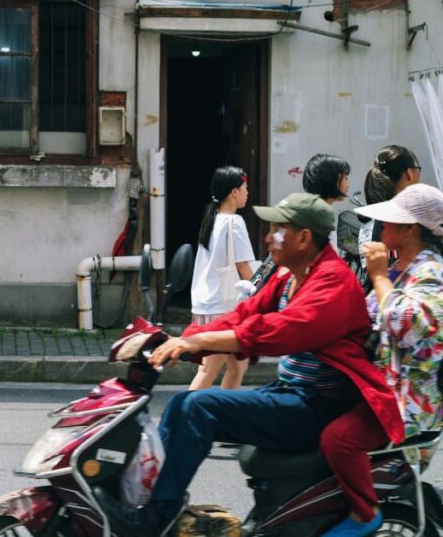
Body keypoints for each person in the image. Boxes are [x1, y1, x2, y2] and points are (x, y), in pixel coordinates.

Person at [131, 193, 404, 536]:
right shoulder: (289, 275)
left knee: (199, 407)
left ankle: (158, 516)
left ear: (304, 238)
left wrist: (198, 343)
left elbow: (278, 332)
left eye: (277, 230)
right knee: (182, 405)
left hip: (316, 407)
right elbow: (246, 312)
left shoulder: (333, 282)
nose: (267, 238)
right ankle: (152, 504)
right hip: (291, 394)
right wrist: (182, 341)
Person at [318, 184, 443, 536]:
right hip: (376, 384)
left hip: (408, 400)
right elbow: (366, 319)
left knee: (340, 439)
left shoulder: (434, 275)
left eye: (390, 221)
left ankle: (365, 515)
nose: (381, 227)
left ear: (410, 229)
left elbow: (403, 325)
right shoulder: (401, 266)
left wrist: (378, 276)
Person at [188, 166, 255, 390]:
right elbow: (243, 265)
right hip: (223, 307)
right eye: (245, 188)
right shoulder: (234, 223)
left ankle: (224, 414)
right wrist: (261, 292)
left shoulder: (212, 220)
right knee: (208, 370)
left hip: (206, 303)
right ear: (233, 192)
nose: (248, 192)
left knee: (237, 367)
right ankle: (184, 416)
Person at [250, 153, 350, 291]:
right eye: (345, 177)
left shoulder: (302, 208)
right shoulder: (318, 218)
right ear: (333, 180)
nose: (348, 184)